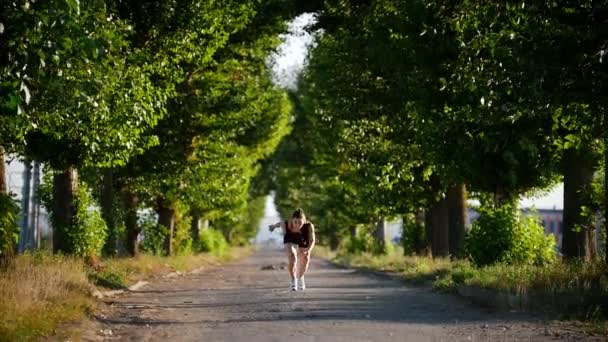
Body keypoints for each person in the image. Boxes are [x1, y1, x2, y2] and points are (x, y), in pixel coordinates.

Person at [268, 208, 315, 291]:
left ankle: (300, 277)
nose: (297, 224)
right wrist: (273, 226)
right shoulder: (287, 224)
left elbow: (312, 240)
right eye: (295, 222)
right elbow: (279, 224)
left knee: (305, 259)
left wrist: (308, 250)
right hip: (290, 239)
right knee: (292, 256)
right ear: (292, 220)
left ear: (304, 220)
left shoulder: (309, 226)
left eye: (300, 222)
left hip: (303, 240)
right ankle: (293, 280)